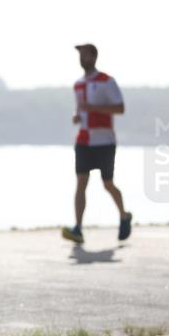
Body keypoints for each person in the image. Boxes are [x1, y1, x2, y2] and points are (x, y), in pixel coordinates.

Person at [62, 44, 132, 244]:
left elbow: (120, 108)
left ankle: (124, 216)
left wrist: (93, 108)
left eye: (84, 54)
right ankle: (78, 229)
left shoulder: (106, 81)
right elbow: (79, 108)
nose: (81, 58)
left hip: (104, 141)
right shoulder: (78, 84)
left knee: (107, 184)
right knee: (81, 182)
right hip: (83, 140)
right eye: (79, 55)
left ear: (93, 57)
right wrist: (76, 116)